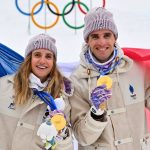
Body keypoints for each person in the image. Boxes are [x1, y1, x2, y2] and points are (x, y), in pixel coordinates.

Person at [69, 7, 150, 150]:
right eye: (95, 36)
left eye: (107, 35)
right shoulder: (77, 80)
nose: (102, 42)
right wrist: (96, 113)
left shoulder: (136, 69)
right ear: (87, 40)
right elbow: (82, 137)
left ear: (115, 38)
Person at [0, 33, 74, 150]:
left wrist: (61, 130)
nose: (42, 61)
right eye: (37, 55)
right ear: (29, 59)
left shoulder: (60, 98)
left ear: (53, 62)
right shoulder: (4, 86)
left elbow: (67, 147)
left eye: (48, 56)